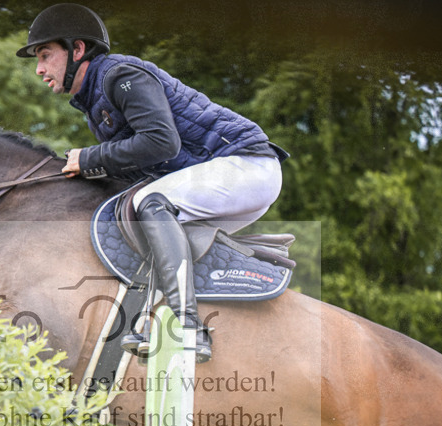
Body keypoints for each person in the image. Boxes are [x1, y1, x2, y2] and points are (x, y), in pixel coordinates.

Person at [17, 3, 286, 363]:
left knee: (151, 202)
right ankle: (153, 319)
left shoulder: (119, 76)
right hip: (232, 178)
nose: (39, 68)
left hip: (246, 165)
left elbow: (161, 142)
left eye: (46, 55)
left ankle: (188, 326)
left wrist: (90, 159)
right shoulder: (96, 99)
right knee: (144, 224)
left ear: (77, 49)